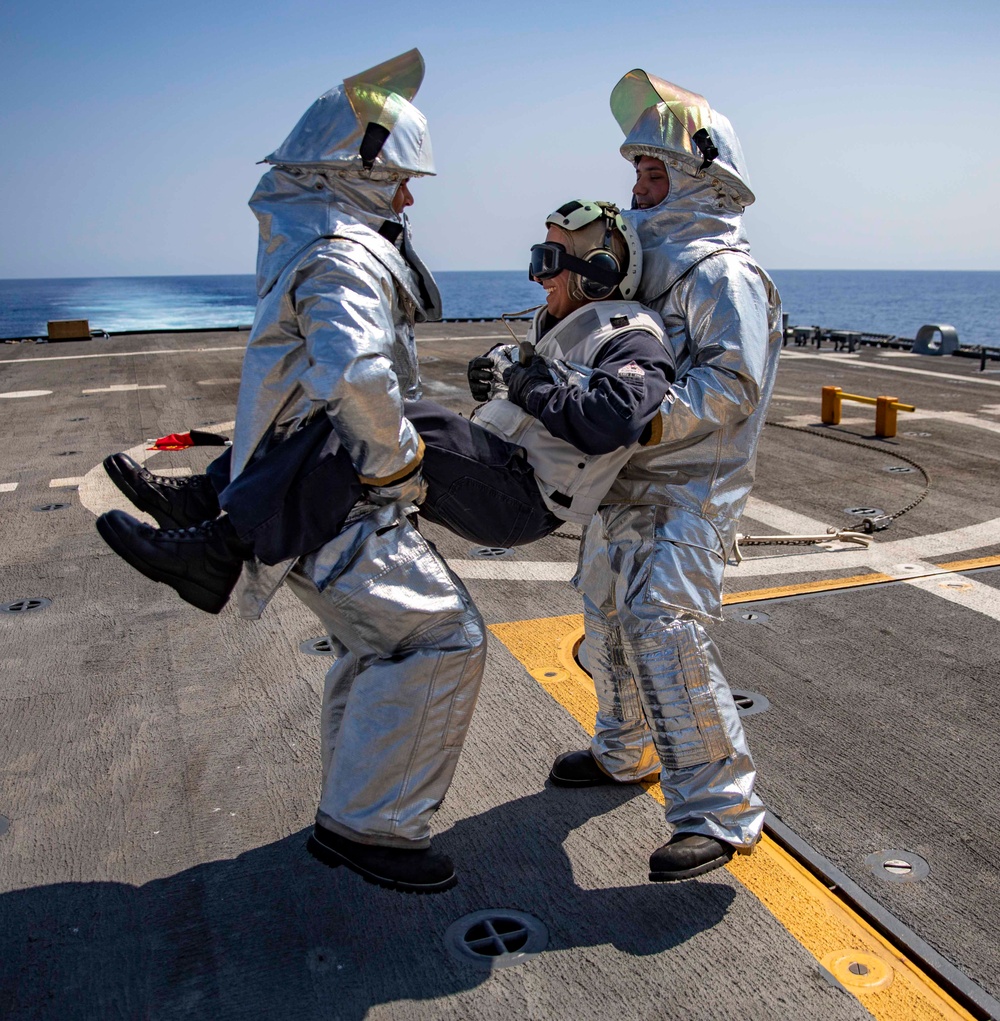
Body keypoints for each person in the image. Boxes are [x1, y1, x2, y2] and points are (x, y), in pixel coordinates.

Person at [97, 50, 487, 895]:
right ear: (358, 169)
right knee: (444, 638)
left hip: (304, 496)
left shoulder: (303, 236)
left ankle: (353, 809)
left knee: (377, 644)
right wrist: (399, 463)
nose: (410, 198)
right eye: (401, 180)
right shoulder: (344, 253)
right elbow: (354, 374)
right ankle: (371, 827)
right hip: (340, 505)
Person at [99, 200, 676, 589]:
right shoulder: (567, 325)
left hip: (522, 497)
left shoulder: (632, 334)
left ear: (598, 272)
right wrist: (503, 376)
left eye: (548, 262)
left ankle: (218, 549)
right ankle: (208, 498)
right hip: (499, 470)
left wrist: (525, 384)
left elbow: (614, 418)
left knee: (398, 421)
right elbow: (549, 393)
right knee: (349, 411)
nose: (538, 277)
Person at [546, 69, 783, 883]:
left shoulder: (723, 273)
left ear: (702, 179)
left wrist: (642, 418)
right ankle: (622, 752)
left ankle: (720, 809)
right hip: (625, 482)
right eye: (639, 172)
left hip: (689, 491)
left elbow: (731, 384)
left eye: (655, 173)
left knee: (663, 629)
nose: (639, 189)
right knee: (605, 617)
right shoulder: (647, 265)